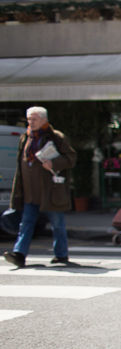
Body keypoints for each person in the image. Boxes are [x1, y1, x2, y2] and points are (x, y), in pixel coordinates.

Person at [3, 107, 77, 268]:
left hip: (50, 192)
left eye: (34, 119)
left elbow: (71, 158)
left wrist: (53, 163)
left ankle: (61, 255)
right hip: (30, 192)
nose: (31, 122)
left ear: (44, 120)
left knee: (57, 224)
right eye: (29, 119)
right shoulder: (25, 137)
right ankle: (19, 254)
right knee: (26, 224)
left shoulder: (56, 137)